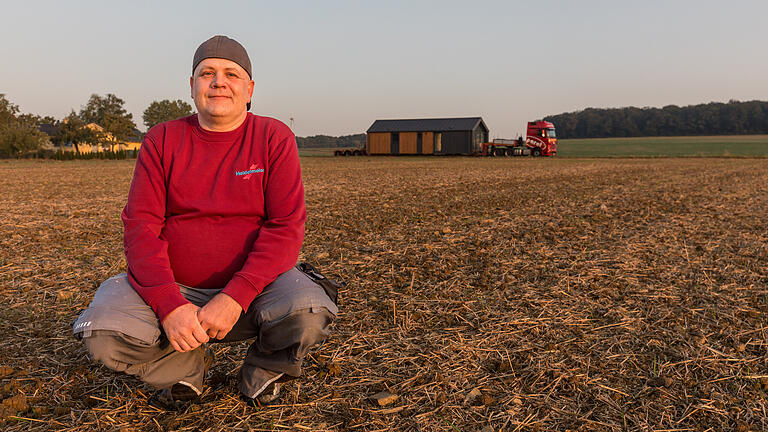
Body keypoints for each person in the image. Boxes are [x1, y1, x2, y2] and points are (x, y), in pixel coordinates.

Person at [72, 35, 338, 409]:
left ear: (249, 89)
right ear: (192, 86)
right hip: (174, 286)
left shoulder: (272, 137)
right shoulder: (162, 139)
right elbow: (141, 226)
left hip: (254, 291)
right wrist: (168, 303)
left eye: (231, 73)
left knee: (309, 309)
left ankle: (263, 370)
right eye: (206, 73)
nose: (218, 81)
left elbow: (286, 226)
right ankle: (184, 369)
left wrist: (235, 295)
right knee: (103, 333)